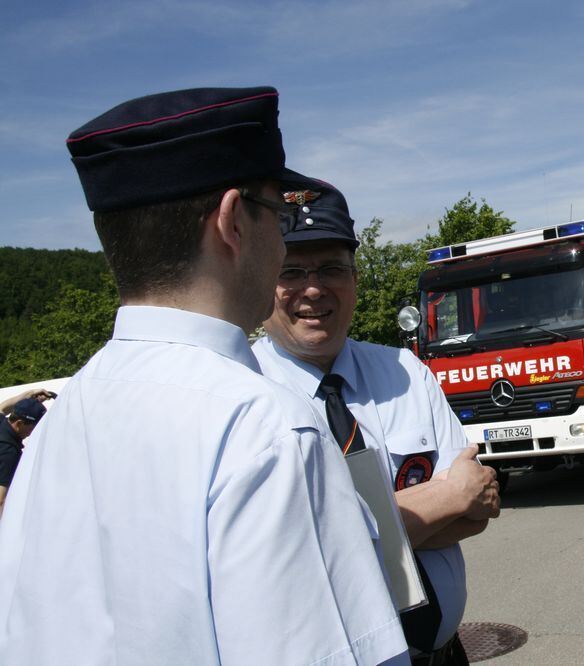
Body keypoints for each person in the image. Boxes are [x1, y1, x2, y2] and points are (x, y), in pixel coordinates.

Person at [0, 87, 407, 665]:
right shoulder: (266, 429)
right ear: (233, 221)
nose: (285, 236)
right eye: (281, 214)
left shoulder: (58, 423)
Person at [253, 175, 500, 665]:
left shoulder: (404, 372)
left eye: (331, 268)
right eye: (292, 270)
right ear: (261, 279)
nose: (314, 288)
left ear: (355, 277)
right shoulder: (243, 394)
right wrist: (445, 496)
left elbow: (477, 512)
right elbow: (300, 564)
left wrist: (365, 541)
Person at [0, 398, 48, 517]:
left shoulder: (1, 421)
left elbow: (3, 406)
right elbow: (0, 498)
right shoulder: (9, 453)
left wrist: (30, 394)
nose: (34, 432)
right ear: (19, 424)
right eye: (34, 427)